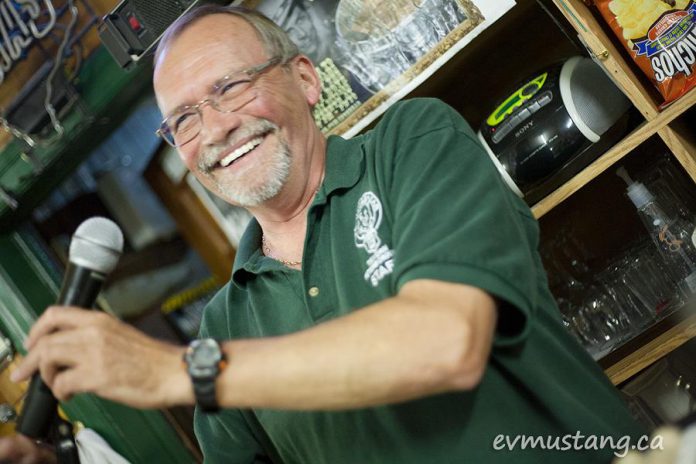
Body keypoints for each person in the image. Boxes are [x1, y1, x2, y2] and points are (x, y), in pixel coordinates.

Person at [5, 5, 644, 463]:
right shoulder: (228, 321)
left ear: (305, 80)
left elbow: (447, 340)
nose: (217, 129)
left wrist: (184, 373)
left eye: (229, 87)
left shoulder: (409, 146)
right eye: (185, 120)